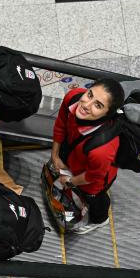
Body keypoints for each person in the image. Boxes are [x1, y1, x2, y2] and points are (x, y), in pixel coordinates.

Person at [50, 78, 125, 234]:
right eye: (90, 94)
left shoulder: (102, 148)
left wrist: (71, 181)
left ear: (107, 114)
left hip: (93, 180)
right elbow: (60, 125)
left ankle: (100, 219)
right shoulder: (73, 97)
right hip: (73, 154)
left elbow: (94, 176)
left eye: (98, 105)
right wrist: (55, 155)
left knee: (94, 199)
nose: (86, 105)